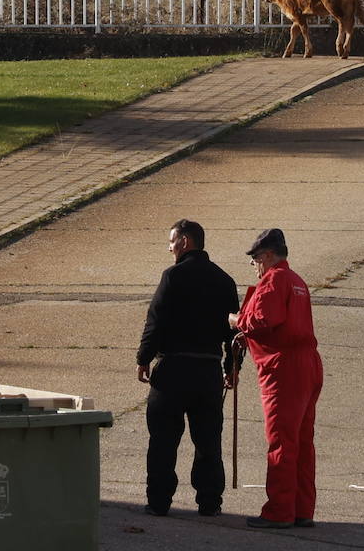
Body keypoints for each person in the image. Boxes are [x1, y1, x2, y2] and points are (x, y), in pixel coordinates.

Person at [137, 219, 240, 518]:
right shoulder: (225, 281)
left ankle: (159, 501)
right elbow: (234, 334)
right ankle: (209, 502)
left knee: (163, 439)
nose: (169, 247)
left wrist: (143, 357)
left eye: (172, 241)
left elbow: (155, 321)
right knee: (208, 440)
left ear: (184, 242)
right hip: (207, 372)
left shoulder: (172, 277)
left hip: (173, 370)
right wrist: (231, 367)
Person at [235, 228, 323, 529]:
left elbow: (261, 320)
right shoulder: (297, 281)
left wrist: (236, 320)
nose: (255, 266)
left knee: (281, 440)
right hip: (308, 364)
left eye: (256, 259)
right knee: (301, 440)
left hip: (283, 367)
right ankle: (302, 508)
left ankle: (279, 510)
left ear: (269, 255)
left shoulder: (274, 280)